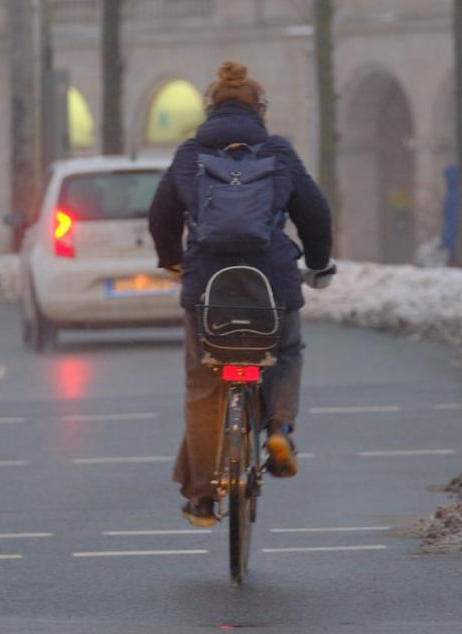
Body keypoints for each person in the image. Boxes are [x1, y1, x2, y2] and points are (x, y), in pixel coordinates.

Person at [148, 60, 336, 527]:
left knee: (203, 381)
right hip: (270, 279)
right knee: (286, 351)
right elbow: (314, 212)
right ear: (260, 109)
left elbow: (161, 215)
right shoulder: (278, 152)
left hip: (207, 285)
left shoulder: (190, 155)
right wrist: (318, 264)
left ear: (210, 108)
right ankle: (279, 429)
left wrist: (172, 259)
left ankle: (205, 495)